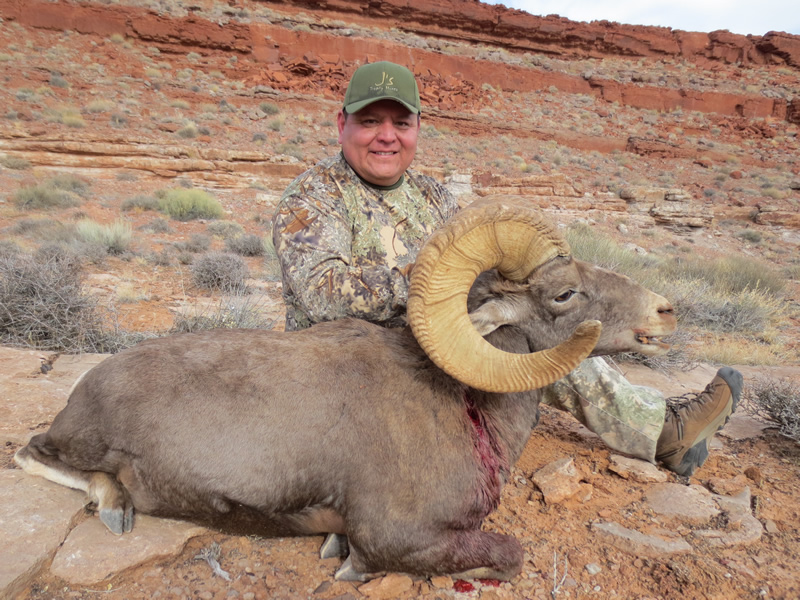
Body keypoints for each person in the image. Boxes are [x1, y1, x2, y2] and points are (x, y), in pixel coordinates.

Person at [272, 61, 742, 477]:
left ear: (417, 129)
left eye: (401, 122)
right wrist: (431, 279)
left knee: (544, 319)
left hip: (435, 343)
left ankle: (661, 431)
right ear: (342, 124)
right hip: (349, 365)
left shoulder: (432, 196)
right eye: (370, 121)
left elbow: (484, 276)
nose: (387, 135)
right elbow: (322, 296)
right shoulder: (313, 197)